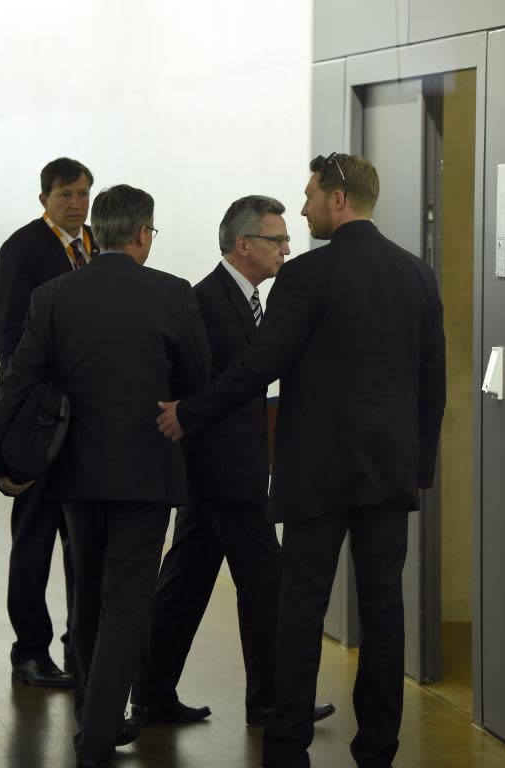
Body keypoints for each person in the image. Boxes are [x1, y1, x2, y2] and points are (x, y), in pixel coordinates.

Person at [156, 153, 446, 768]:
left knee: (300, 606)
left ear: (338, 198)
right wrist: (416, 470)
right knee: (384, 610)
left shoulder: (307, 277)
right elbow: (432, 382)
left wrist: (191, 411)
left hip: (317, 472)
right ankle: (378, 750)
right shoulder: (417, 275)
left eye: (311, 195)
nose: (305, 205)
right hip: (389, 475)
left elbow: (260, 367)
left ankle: (287, 747)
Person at [0, 184, 211, 768]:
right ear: (143, 234)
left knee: (87, 599)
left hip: (74, 474)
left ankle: (93, 718)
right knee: (126, 607)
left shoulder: (54, 296)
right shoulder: (171, 294)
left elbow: (17, 380)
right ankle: (95, 739)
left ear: (99, 232)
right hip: (146, 472)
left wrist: (3, 462)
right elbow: (197, 379)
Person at [132, 195, 334, 727]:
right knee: (265, 579)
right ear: (244, 245)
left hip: (223, 466)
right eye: (277, 240)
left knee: (185, 579)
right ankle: (269, 701)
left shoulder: (238, 298)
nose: (287, 248)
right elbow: (210, 386)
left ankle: (151, 694)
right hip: (223, 468)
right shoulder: (207, 301)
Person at [0, 157, 99, 687]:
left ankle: (79, 648)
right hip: (40, 424)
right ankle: (29, 652)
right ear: (44, 200)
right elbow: (10, 343)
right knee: (34, 544)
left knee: (82, 546)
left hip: (84, 427)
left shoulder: (95, 248)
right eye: (66, 195)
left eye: (84, 193)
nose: (78, 204)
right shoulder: (21, 250)